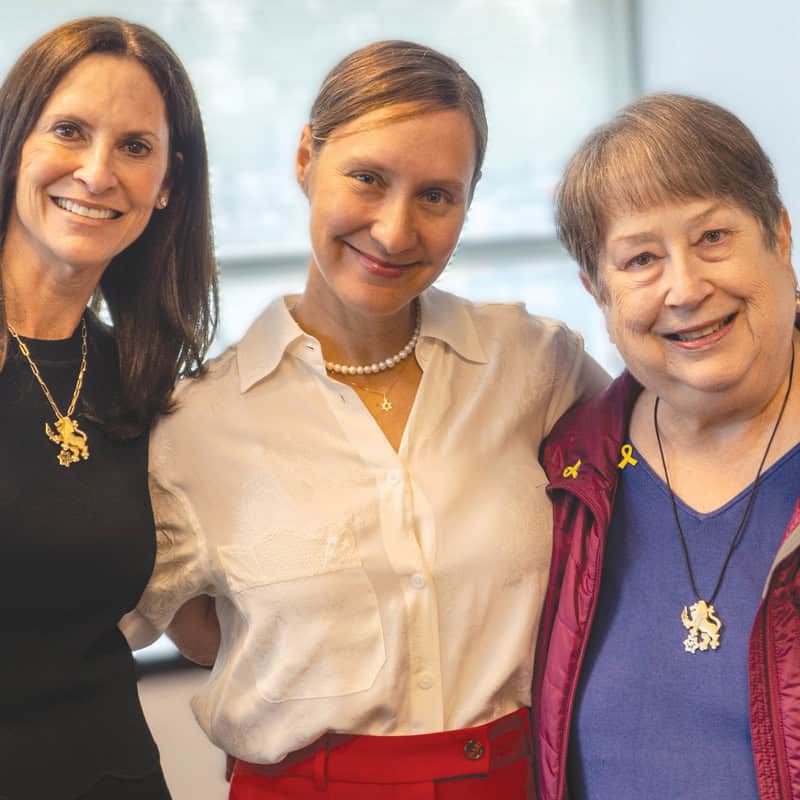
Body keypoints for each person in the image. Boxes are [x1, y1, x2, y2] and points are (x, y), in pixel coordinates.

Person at [127, 40, 607, 799]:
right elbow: (159, 622)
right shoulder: (194, 423)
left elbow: (658, 480)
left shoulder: (536, 365)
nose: (393, 230)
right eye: (367, 178)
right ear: (305, 159)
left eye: (437, 196)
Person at [533, 93, 800, 800]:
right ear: (596, 291)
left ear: (779, 235)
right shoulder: (570, 472)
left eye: (713, 237)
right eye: (641, 259)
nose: (685, 287)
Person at [0, 16, 217, 800]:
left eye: (135, 146)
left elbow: (200, 630)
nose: (97, 173)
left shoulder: (145, 381)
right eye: (68, 130)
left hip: (111, 774)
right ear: (13, 143)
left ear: (168, 187)